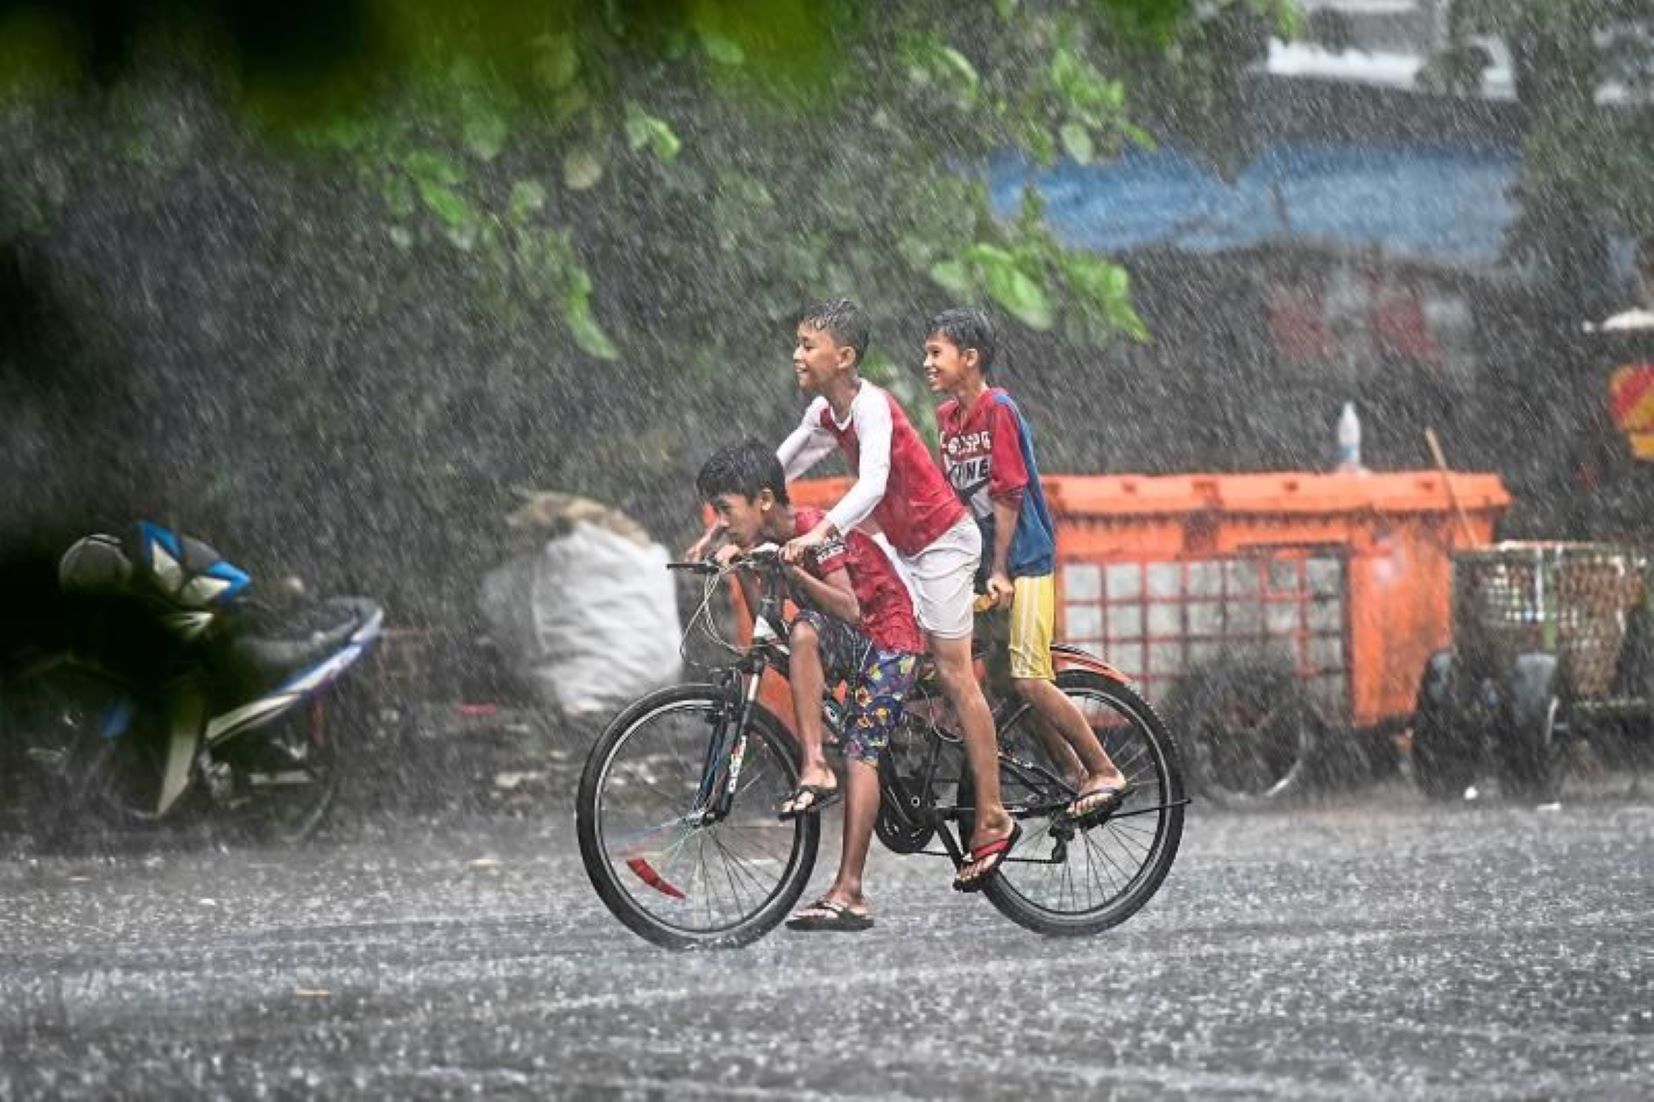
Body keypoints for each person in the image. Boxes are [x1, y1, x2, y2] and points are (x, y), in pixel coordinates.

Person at [773, 298, 1019, 893]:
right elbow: (777, 468)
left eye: (810, 345)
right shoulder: (825, 412)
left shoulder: (874, 407)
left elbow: (875, 480)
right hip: (902, 548)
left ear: (845, 357)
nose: (798, 354)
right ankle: (913, 757)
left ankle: (992, 812)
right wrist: (732, 516)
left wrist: (822, 531)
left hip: (942, 543)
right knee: (884, 645)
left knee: (954, 671)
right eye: (799, 343)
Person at [696, 441, 922, 930]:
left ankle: (851, 891)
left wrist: (787, 566)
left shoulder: (814, 529)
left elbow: (849, 609)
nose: (722, 522)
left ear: (763, 501)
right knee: (799, 634)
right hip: (853, 640)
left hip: (889, 636)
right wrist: (746, 573)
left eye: (726, 510)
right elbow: (767, 628)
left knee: (860, 750)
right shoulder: (770, 544)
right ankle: (815, 764)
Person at [925, 306, 1131, 824]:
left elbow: (1009, 493)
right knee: (1000, 682)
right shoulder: (948, 420)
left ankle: (1103, 768)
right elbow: (952, 500)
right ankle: (1072, 773)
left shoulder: (999, 409)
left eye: (936, 353)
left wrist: (1000, 569)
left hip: (1025, 563)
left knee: (1031, 676)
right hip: (980, 566)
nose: (925, 363)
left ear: (969, 359)